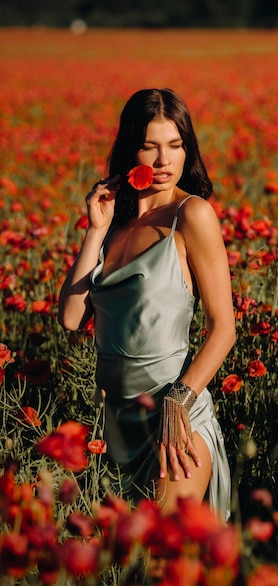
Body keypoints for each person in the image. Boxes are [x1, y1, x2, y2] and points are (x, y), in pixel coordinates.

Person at [58, 88, 235, 522]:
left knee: (159, 563)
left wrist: (180, 400)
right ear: (128, 150)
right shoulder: (114, 225)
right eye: (150, 146)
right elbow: (71, 317)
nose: (163, 161)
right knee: (117, 574)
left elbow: (224, 327)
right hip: (116, 425)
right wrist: (95, 230)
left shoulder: (192, 215)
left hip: (175, 417)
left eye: (175, 145)